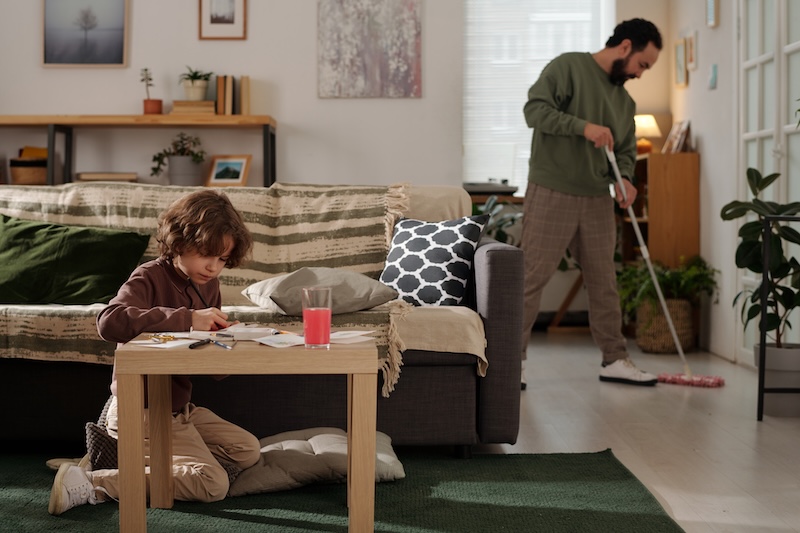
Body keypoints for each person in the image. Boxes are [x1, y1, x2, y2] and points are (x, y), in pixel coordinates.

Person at [49, 189, 261, 515]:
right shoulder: (150, 276)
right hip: (143, 410)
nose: (214, 267)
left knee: (247, 450)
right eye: (207, 254)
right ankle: (89, 483)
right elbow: (110, 321)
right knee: (212, 483)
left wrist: (228, 345)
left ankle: (127, 458)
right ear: (180, 239)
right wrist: (188, 319)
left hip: (178, 409)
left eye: (222, 259)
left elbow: (200, 356)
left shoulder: (209, 286)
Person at [520, 18, 662, 387]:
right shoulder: (568, 67)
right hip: (553, 190)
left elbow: (627, 151)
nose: (640, 74)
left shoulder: (624, 101)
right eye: (642, 65)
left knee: (604, 282)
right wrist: (582, 127)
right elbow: (534, 111)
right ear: (626, 46)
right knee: (531, 279)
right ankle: (510, 362)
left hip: (597, 198)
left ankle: (614, 359)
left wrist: (626, 179)